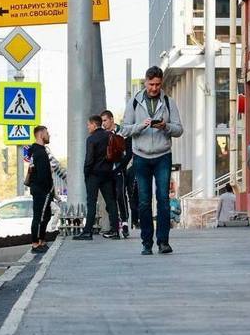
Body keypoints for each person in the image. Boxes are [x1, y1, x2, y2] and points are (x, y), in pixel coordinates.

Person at [121, 66, 184, 255]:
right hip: (140, 156)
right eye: (151, 84)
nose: (154, 88)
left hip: (163, 156)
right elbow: (124, 130)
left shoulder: (168, 102)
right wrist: (141, 126)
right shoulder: (134, 102)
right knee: (144, 201)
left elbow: (179, 129)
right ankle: (146, 242)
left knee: (163, 200)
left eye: (157, 84)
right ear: (145, 82)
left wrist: (166, 127)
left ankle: (163, 241)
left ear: (161, 83)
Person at [73, 115, 120, 240]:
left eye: (89, 124)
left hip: (94, 174)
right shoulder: (109, 135)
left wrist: (86, 173)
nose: (88, 127)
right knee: (111, 202)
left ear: (94, 124)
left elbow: (89, 159)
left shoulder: (91, 139)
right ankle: (115, 231)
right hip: (108, 174)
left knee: (91, 203)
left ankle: (87, 232)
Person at [100, 110, 133, 238]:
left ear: (112, 119)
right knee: (110, 198)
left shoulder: (123, 132)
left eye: (105, 120)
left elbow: (129, 153)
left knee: (120, 194)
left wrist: (120, 167)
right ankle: (114, 227)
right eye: (102, 121)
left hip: (120, 170)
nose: (103, 124)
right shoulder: (103, 135)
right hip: (107, 171)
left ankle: (124, 223)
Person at [27, 125, 55, 253]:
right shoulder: (39, 152)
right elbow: (42, 174)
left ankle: (42, 240)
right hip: (41, 190)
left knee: (46, 215)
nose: (49, 135)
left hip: (40, 189)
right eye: (47, 133)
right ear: (41, 134)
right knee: (40, 216)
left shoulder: (36, 151)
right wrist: (48, 189)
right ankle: (36, 243)